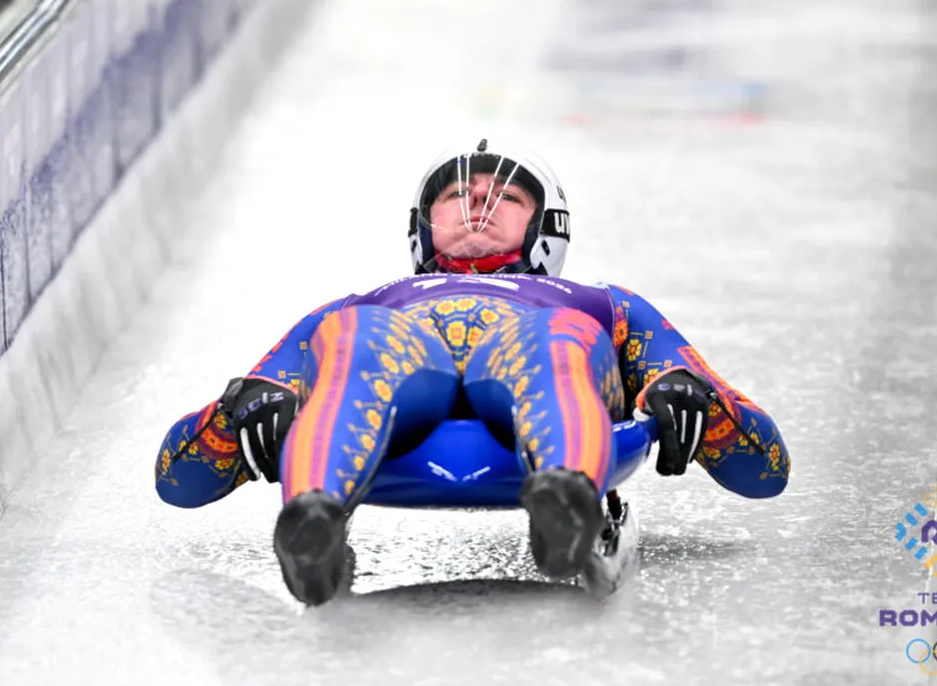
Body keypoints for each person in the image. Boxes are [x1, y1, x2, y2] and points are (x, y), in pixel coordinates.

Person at [154, 138, 791, 606]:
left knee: (551, 335)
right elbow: (177, 478)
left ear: (545, 227)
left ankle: (563, 494)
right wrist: (241, 409)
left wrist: (690, 398)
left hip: (537, 365)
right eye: (459, 196)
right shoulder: (362, 306)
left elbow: (764, 470)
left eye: (504, 197)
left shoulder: (598, 304)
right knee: (359, 338)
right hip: (396, 388)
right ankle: (313, 516)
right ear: (423, 226)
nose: (477, 204)